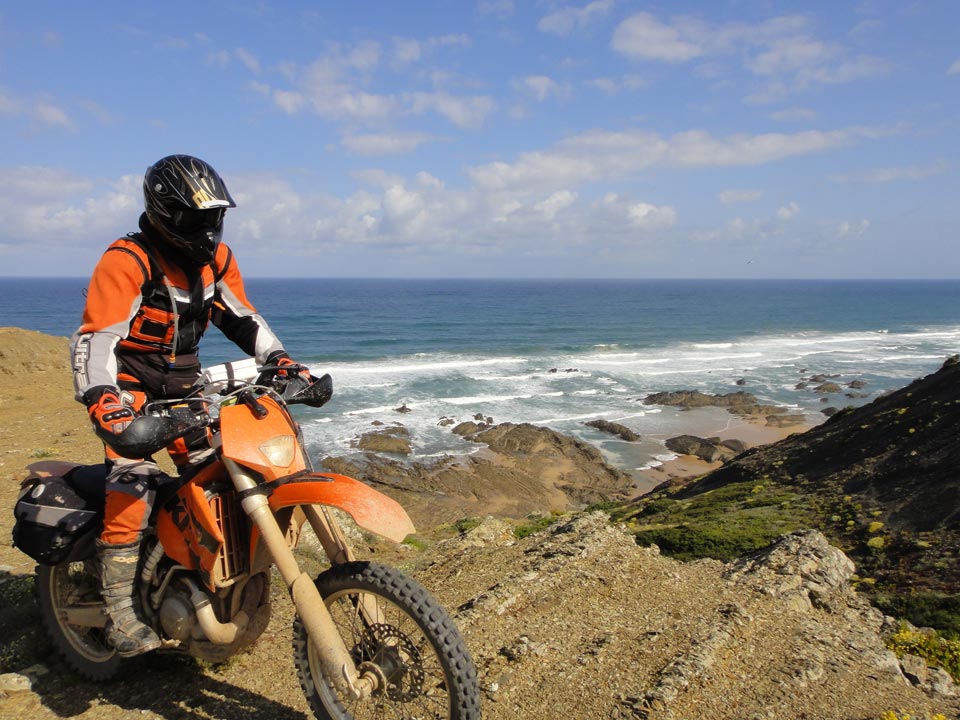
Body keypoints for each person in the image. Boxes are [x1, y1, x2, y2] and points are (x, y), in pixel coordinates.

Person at [70, 154, 308, 656]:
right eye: (194, 219)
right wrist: (105, 404)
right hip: (133, 393)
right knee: (129, 490)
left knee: (222, 480)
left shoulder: (216, 261)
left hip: (187, 391)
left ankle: (210, 584)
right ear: (163, 214)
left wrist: (284, 362)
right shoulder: (128, 260)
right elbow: (96, 340)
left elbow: (243, 319)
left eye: (213, 218)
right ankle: (118, 609)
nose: (206, 230)